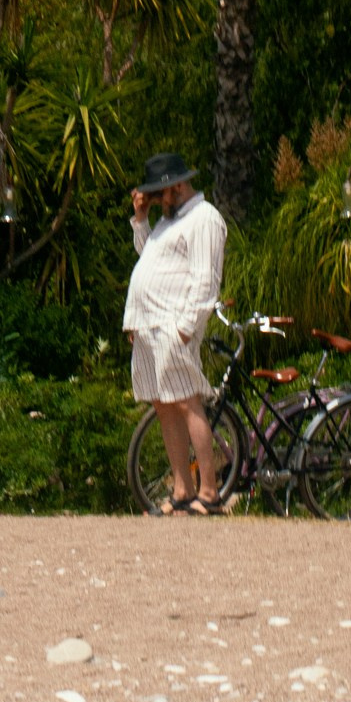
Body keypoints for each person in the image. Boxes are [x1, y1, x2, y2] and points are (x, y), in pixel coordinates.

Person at [123, 149, 228, 514]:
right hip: (150, 325)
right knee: (164, 406)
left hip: (173, 325)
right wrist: (142, 220)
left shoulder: (204, 219)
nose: (154, 198)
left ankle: (210, 491)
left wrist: (185, 328)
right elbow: (149, 260)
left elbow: (206, 279)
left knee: (187, 402)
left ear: (177, 186)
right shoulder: (168, 222)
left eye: (158, 192)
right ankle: (182, 490)